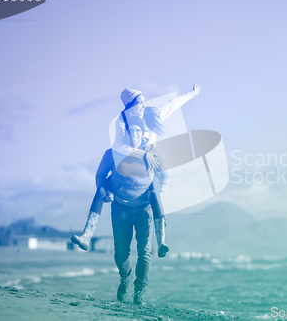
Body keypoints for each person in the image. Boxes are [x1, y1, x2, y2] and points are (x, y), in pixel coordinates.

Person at [71, 85, 201, 256]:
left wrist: (191, 94)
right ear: (130, 104)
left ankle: (162, 242)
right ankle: (86, 237)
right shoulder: (121, 121)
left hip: (148, 166)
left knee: (155, 192)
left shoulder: (151, 114)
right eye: (139, 102)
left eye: (143, 101)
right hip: (127, 163)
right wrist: (142, 153)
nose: (143, 105)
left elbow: (172, 105)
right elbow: (118, 146)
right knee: (101, 189)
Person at [98, 116, 170, 304]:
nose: (135, 135)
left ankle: (139, 292)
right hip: (120, 208)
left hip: (144, 210)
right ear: (125, 133)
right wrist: (107, 195)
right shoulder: (113, 153)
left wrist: (159, 194)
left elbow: (166, 174)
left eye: (138, 131)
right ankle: (125, 278)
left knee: (145, 252)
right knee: (121, 254)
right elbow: (100, 175)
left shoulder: (153, 152)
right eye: (131, 131)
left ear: (143, 133)